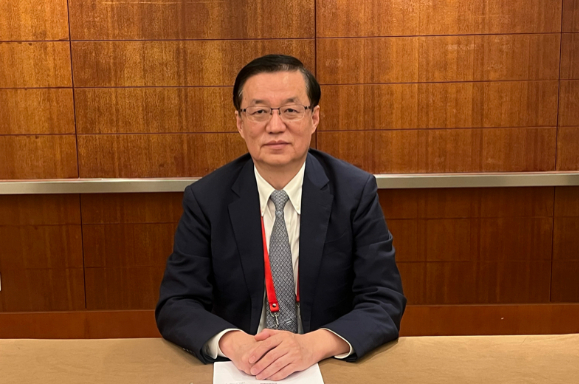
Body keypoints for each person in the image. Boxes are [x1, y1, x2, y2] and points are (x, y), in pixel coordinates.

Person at [156, 54, 406, 381]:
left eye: (290, 110)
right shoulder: (207, 199)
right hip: (242, 367)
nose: (275, 126)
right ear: (240, 123)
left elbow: (384, 299)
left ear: (314, 118)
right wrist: (234, 343)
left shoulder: (354, 192)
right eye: (259, 112)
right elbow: (177, 302)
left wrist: (314, 344)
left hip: (327, 365)